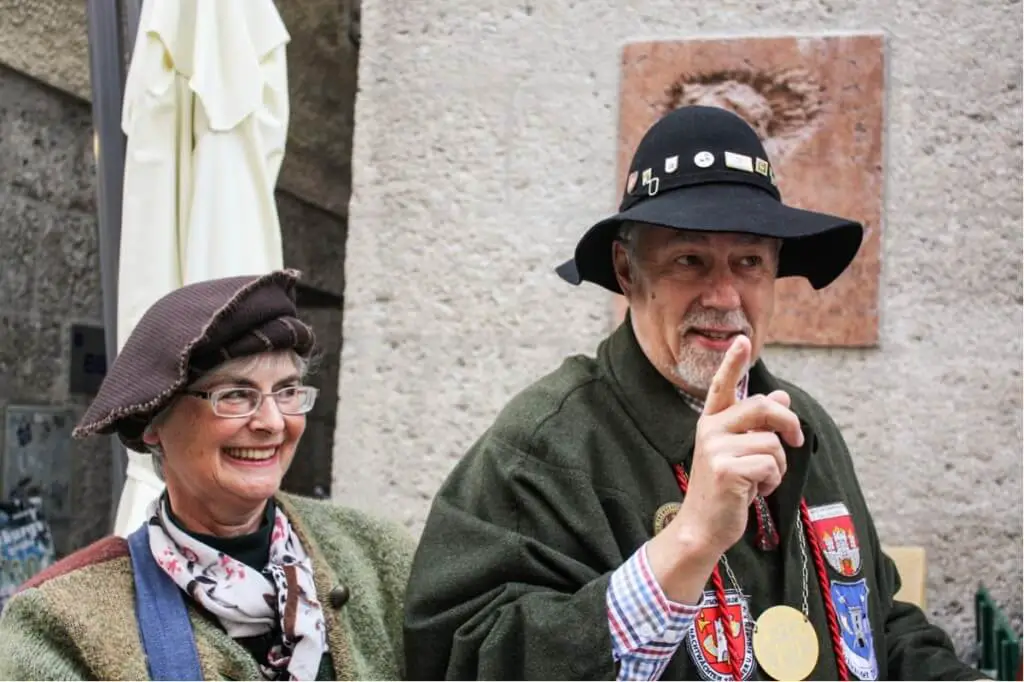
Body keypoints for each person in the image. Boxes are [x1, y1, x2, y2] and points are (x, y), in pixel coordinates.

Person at [402, 106, 984, 680]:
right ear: (628, 272)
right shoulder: (544, 444)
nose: (726, 295)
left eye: (750, 262)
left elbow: (877, 623)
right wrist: (688, 541)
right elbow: (465, 659)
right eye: (690, 260)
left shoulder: (805, 423)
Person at [0, 270, 414, 681]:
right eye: (235, 395)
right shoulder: (63, 623)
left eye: (287, 391)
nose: (272, 421)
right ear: (153, 422)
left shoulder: (377, 558)